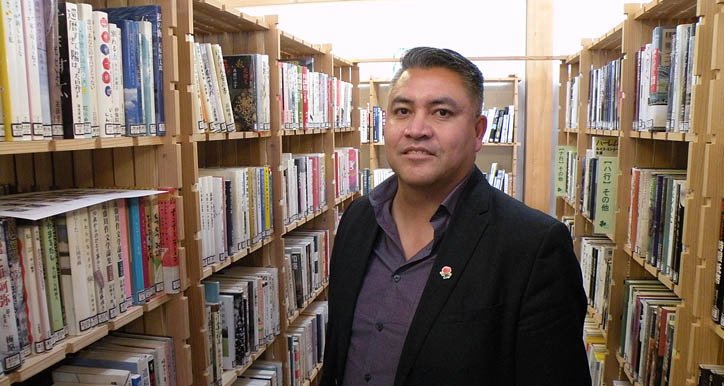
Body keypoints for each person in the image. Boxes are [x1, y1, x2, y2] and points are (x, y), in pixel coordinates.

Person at [320, 47, 591, 386]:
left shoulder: (532, 245)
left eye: (442, 113)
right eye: (402, 110)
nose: (416, 129)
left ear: (478, 132)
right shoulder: (358, 219)